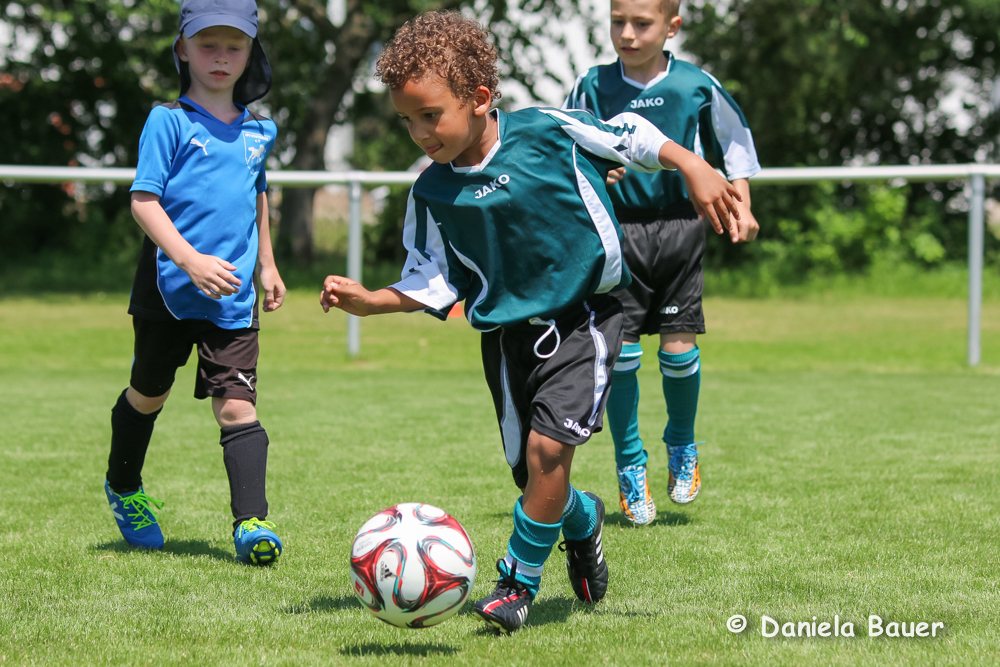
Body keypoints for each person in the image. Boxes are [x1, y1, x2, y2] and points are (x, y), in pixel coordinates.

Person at [320, 11, 742, 632]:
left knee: (549, 454)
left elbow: (626, 134)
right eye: (406, 120)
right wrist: (370, 301)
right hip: (506, 342)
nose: (419, 133)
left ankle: (516, 583)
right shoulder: (430, 192)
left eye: (430, 115)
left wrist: (692, 165)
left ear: (480, 99)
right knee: (538, 481)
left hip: (585, 320)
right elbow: (432, 280)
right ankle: (583, 519)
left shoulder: (547, 130)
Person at [563, 0, 761, 524]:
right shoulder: (591, 85)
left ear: (671, 27)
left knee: (678, 349)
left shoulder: (693, 85)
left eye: (641, 23)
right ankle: (630, 463)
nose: (627, 34)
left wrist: (741, 203)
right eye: (617, 22)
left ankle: (682, 444)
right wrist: (594, 174)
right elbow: (569, 145)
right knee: (621, 354)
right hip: (617, 234)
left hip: (679, 228)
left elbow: (734, 144)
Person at [103, 0, 285, 566]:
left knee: (238, 407)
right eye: (208, 44)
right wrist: (189, 261)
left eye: (234, 45)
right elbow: (143, 201)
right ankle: (124, 487)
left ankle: (251, 522)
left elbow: (256, 196)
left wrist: (268, 265)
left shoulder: (260, 130)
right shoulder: (168, 121)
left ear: (251, 52)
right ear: (183, 50)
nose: (221, 57)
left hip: (232, 295)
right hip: (168, 287)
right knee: (149, 393)